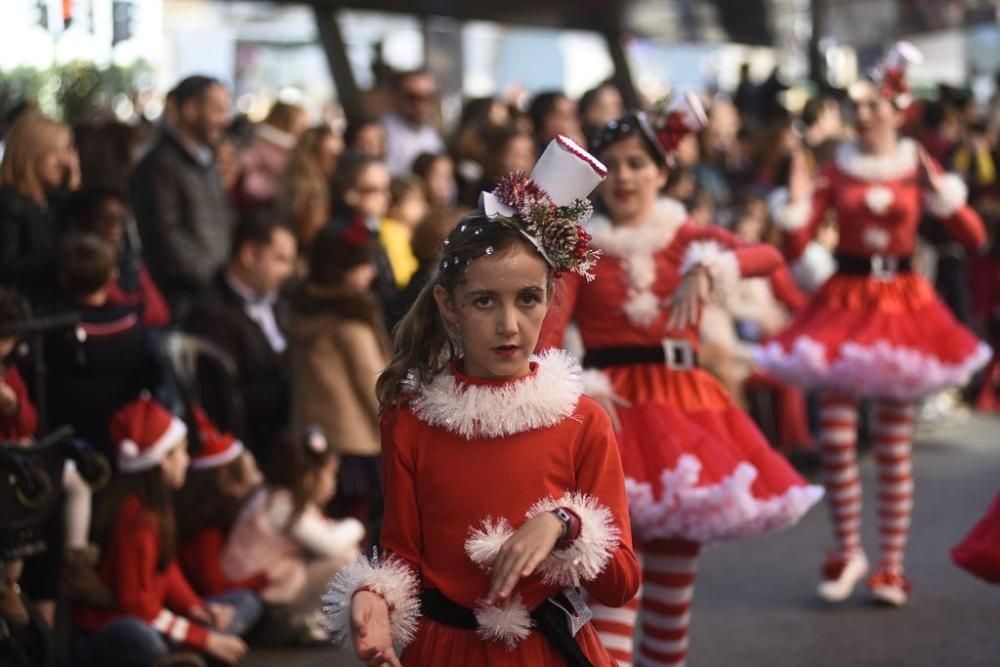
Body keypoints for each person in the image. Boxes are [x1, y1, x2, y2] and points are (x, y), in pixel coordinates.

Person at [326, 137, 640, 666]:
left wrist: (565, 524)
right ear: (448, 307)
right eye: (484, 301)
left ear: (549, 298)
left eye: (528, 299)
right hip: (444, 650)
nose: (508, 325)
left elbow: (622, 583)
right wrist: (373, 597)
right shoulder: (411, 420)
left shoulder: (581, 420)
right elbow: (402, 556)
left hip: (549, 651)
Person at [538, 102, 823, 667]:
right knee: (613, 587)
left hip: (684, 415)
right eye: (613, 165)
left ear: (662, 172)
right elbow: (548, 332)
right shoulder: (582, 247)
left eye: (639, 163)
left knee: (671, 606)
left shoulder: (690, 237)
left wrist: (711, 266)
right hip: (610, 415)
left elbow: (768, 255)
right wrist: (577, 383)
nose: (625, 177)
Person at [759, 43, 990, 607]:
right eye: (856, 106)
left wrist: (945, 199)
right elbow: (793, 244)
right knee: (838, 445)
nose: (860, 115)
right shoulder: (836, 167)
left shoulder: (918, 163)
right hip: (844, 302)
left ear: (897, 110)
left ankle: (889, 565)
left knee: (892, 447)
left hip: (903, 307)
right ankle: (848, 551)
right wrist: (794, 196)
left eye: (871, 105)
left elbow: (974, 238)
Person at [74, 396, 259, 666]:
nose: (187, 460)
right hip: (114, 626)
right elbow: (135, 607)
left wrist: (199, 608)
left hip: (156, 617)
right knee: (139, 637)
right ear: (162, 460)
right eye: (181, 451)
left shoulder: (157, 506)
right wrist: (204, 638)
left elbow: (166, 570)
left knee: (245, 602)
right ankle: (185, 653)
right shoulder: (136, 519)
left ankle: (184, 654)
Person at [289, 223, 391, 529]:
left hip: (315, 439)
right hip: (357, 447)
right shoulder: (350, 324)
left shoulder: (302, 313)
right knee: (357, 531)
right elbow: (375, 387)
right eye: (361, 265)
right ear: (338, 270)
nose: (371, 273)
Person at [222, 428, 365, 642]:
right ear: (308, 479)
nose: (333, 483)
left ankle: (307, 619)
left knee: (344, 553)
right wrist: (358, 525)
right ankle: (300, 620)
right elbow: (329, 544)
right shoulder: (281, 504)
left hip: (268, 585)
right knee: (345, 559)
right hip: (259, 593)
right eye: (330, 474)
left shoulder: (278, 497)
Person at [184, 215, 297, 460]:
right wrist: (294, 385)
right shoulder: (210, 313)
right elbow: (227, 398)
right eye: (280, 260)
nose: (288, 271)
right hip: (253, 447)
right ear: (248, 254)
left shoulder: (283, 301)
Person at [46, 234, 162, 462]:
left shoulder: (53, 328)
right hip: (124, 439)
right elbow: (151, 376)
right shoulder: (131, 324)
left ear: (63, 277)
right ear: (112, 275)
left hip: (73, 440)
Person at [130, 75, 234, 319]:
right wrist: (215, 280)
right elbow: (166, 239)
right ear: (190, 109)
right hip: (184, 304)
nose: (225, 119)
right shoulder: (158, 166)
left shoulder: (206, 162)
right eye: (217, 110)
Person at [177, 406, 268, 599]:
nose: (261, 479)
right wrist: (264, 578)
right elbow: (215, 586)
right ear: (229, 484)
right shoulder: (206, 533)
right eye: (254, 472)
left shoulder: (221, 522)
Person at [0, 112, 80, 308]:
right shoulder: (9, 204)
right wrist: (64, 261)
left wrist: (74, 187)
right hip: (29, 317)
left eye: (67, 151)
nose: (65, 162)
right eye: (56, 152)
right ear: (31, 154)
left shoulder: (52, 200)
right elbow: (6, 268)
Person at [73, 186, 171, 328]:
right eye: (104, 219)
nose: (114, 228)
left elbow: (160, 314)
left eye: (119, 220)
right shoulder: (82, 265)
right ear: (87, 221)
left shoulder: (132, 263)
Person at [235, 101, 309, 212]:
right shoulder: (277, 146)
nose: (304, 131)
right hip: (261, 205)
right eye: (301, 125)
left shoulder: (259, 140)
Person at [278, 125, 343, 250]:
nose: (339, 162)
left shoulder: (294, 187)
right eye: (333, 156)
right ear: (312, 157)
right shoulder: (314, 197)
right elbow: (314, 242)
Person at [381, 70, 445, 175]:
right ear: (396, 96)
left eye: (429, 97)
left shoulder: (430, 129)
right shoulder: (383, 132)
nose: (420, 104)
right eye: (412, 97)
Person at [380, 175, 427, 289]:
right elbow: (403, 277)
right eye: (416, 200)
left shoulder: (405, 233)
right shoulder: (392, 233)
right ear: (394, 206)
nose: (424, 206)